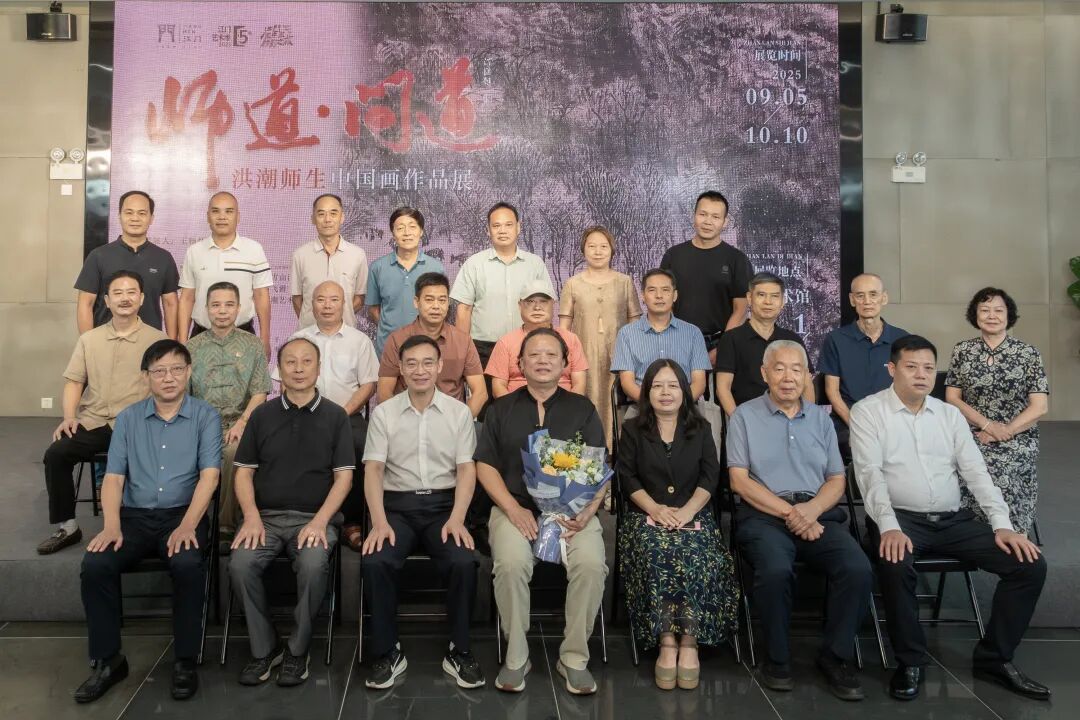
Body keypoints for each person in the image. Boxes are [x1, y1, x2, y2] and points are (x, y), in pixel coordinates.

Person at [850, 335, 1049, 702]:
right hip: (900, 518)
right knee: (894, 562)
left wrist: (1002, 525)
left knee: (1029, 565)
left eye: (928, 368)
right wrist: (888, 527)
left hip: (952, 521)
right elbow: (869, 474)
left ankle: (994, 658)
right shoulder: (868, 411)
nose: (921, 375)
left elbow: (976, 473)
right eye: (911, 367)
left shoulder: (948, 414)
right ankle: (910, 661)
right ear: (892, 369)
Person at [76, 339, 222, 704]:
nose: (168, 378)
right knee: (95, 565)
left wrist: (188, 525)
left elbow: (210, 477)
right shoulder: (127, 419)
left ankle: (185, 660)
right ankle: (109, 660)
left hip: (183, 514)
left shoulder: (206, 416)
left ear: (188, 372)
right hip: (134, 518)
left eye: (176, 369)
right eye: (159, 371)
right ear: (146, 377)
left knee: (187, 564)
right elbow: (113, 478)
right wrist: (111, 525)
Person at [728, 340, 872, 701]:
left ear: (808, 376)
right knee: (775, 570)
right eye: (779, 368)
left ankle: (835, 657)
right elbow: (739, 481)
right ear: (764, 374)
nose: (788, 377)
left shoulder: (821, 419)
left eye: (797, 369)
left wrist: (811, 511)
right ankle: (777, 658)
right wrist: (791, 513)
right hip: (764, 516)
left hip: (817, 514)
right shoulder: (744, 416)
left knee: (857, 567)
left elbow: (836, 479)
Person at [475, 328, 607, 695]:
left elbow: (600, 466)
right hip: (515, 509)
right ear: (520, 363)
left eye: (552, 355)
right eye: (534, 354)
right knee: (511, 564)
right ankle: (517, 655)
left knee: (592, 564)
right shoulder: (500, 409)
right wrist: (512, 508)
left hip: (573, 513)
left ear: (565, 364)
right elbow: (485, 465)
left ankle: (574, 658)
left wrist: (588, 511)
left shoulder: (582, 409)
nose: (543, 360)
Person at [229, 337, 356, 687]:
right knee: (240, 564)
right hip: (264, 519)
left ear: (318, 368)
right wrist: (251, 516)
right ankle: (265, 647)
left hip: (314, 519)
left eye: (306, 361)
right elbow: (244, 473)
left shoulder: (336, 416)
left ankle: (298, 650)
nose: (298, 369)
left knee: (314, 565)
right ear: (279, 369)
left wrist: (320, 521)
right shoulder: (261, 415)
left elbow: (344, 478)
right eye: (290, 362)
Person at [361, 335, 484, 691]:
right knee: (376, 561)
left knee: (463, 561)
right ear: (400, 368)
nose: (420, 370)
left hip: (444, 508)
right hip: (396, 508)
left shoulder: (459, 412)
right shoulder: (384, 413)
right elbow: (373, 470)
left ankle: (459, 650)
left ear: (440, 366)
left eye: (428, 362)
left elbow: (466, 470)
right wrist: (378, 521)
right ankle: (387, 652)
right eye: (411, 363)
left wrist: (458, 517)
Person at [616, 359, 738, 691]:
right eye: (657, 386)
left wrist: (687, 512)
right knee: (658, 552)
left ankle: (690, 640)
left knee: (695, 552)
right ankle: (667, 640)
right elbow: (627, 476)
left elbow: (710, 477)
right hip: (646, 514)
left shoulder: (700, 428)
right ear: (647, 392)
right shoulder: (633, 429)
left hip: (693, 514)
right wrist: (655, 509)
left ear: (684, 391)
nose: (665, 392)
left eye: (672, 385)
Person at [38, 270, 168, 555]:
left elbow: (167, 388)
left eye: (131, 292)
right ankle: (68, 527)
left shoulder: (157, 340)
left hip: (138, 424)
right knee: (56, 454)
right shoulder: (90, 339)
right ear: (107, 301)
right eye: (117, 293)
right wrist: (69, 417)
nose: (125, 298)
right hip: (95, 422)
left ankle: (142, 526)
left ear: (142, 298)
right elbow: (74, 381)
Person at [273, 280, 378, 550]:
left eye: (334, 299)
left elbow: (368, 384)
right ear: (311, 304)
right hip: (303, 412)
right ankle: (299, 515)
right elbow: (284, 381)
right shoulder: (299, 339)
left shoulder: (359, 340)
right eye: (321, 299)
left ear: (345, 304)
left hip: (347, 415)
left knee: (361, 446)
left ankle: (353, 522)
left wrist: (342, 413)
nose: (327, 305)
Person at [945, 288, 1049, 536]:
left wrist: (1005, 431)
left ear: (1008, 315)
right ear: (975, 315)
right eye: (985, 310)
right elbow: (952, 398)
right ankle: (970, 536)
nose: (992, 315)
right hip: (972, 431)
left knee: (1003, 467)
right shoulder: (962, 351)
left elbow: (1040, 406)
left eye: (998, 310)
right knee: (960, 465)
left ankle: (1014, 535)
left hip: (1018, 433)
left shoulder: (1028, 353)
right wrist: (987, 425)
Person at [186, 281, 271, 532]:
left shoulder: (253, 344)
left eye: (229, 305)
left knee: (233, 452)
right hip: (201, 425)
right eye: (216, 305)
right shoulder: (191, 347)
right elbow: (185, 396)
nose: (222, 311)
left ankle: (226, 526)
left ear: (238, 308)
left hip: (240, 424)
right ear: (206, 309)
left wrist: (243, 423)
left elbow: (260, 391)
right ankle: (185, 521)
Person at [559, 226, 642, 449]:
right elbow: (564, 327)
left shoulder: (625, 282)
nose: (598, 251)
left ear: (612, 250)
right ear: (583, 250)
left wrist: (633, 355)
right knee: (586, 401)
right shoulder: (573, 284)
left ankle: (617, 455)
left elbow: (635, 322)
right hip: (582, 358)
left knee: (617, 405)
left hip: (619, 358)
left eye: (603, 246)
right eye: (592, 246)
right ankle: (588, 455)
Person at [450, 202, 555, 370]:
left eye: (508, 225)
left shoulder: (535, 264)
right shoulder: (474, 264)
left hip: (527, 345)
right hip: (483, 348)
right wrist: (462, 351)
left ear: (518, 227)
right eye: (496, 226)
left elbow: (547, 308)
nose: (502, 230)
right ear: (488, 230)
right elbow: (464, 310)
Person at [818, 273, 908, 458]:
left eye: (873, 294)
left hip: (892, 422)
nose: (867, 301)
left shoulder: (902, 339)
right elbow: (832, 392)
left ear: (884, 298)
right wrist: (857, 426)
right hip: (848, 423)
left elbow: (908, 389)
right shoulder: (835, 339)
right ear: (852, 300)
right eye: (860, 295)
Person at [660, 190, 753, 363]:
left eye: (715, 217)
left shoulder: (737, 260)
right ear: (694, 216)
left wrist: (722, 349)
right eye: (703, 214)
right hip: (677, 344)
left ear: (725, 222)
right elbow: (664, 303)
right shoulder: (673, 256)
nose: (708, 221)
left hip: (721, 344)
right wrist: (673, 340)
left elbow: (741, 310)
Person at [378, 272, 487, 418]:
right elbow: (384, 392)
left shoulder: (463, 341)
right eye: (429, 300)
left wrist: (461, 423)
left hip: (451, 419)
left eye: (442, 300)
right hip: (408, 418)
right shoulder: (397, 340)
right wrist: (401, 423)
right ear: (416, 302)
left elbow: (480, 392)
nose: (436, 306)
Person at [178, 191, 273, 359]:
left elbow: (261, 296)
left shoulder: (254, 249)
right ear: (208, 216)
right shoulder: (194, 251)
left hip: (243, 335)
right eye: (216, 211)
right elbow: (187, 298)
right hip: (201, 335)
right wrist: (182, 340)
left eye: (229, 211)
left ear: (238, 216)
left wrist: (265, 338)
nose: (222, 217)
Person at [75, 190, 179, 337]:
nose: (135, 218)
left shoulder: (163, 257)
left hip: (150, 342)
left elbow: (170, 304)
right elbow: (86, 303)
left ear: (151, 218)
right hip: (106, 340)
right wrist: (88, 344)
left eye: (142, 213)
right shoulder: (98, 256)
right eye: (129, 212)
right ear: (119, 216)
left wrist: (171, 344)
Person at [715, 271, 814, 417]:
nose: (768, 302)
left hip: (789, 420)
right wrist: (740, 422)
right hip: (748, 419)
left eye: (774, 296)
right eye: (761, 295)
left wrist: (807, 419)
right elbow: (723, 388)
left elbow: (806, 385)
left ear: (782, 301)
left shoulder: (792, 340)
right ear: (749, 298)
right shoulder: (731, 339)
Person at [610, 269, 710, 404]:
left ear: (675, 295)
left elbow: (699, 383)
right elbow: (627, 383)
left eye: (665, 290)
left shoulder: (693, 333)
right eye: (652, 290)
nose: (659, 296)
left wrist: (678, 407)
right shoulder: (626, 334)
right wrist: (653, 406)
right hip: (642, 407)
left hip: (685, 407)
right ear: (643, 296)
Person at [365, 206, 446, 355]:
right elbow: (373, 309)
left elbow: (442, 306)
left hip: (426, 347)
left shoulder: (436, 267)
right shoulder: (377, 267)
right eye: (400, 228)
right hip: (388, 348)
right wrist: (390, 329)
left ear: (421, 231)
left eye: (412, 227)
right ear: (393, 233)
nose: (407, 233)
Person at [486, 281, 588, 398]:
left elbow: (579, 384)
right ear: (520, 305)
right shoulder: (505, 342)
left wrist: (567, 407)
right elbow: (498, 387)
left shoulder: (571, 339)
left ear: (553, 304)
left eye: (543, 301)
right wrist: (515, 409)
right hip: (516, 406)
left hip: (564, 404)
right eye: (530, 301)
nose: (537, 307)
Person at [289, 193, 368, 329]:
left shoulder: (357, 255)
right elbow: (297, 299)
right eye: (321, 214)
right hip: (309, 333)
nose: (327, 219)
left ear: (342, 217)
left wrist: (336, 317)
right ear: (313, 219)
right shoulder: (300, 255)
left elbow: (360, 298)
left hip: (346, 333)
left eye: (333, 213)